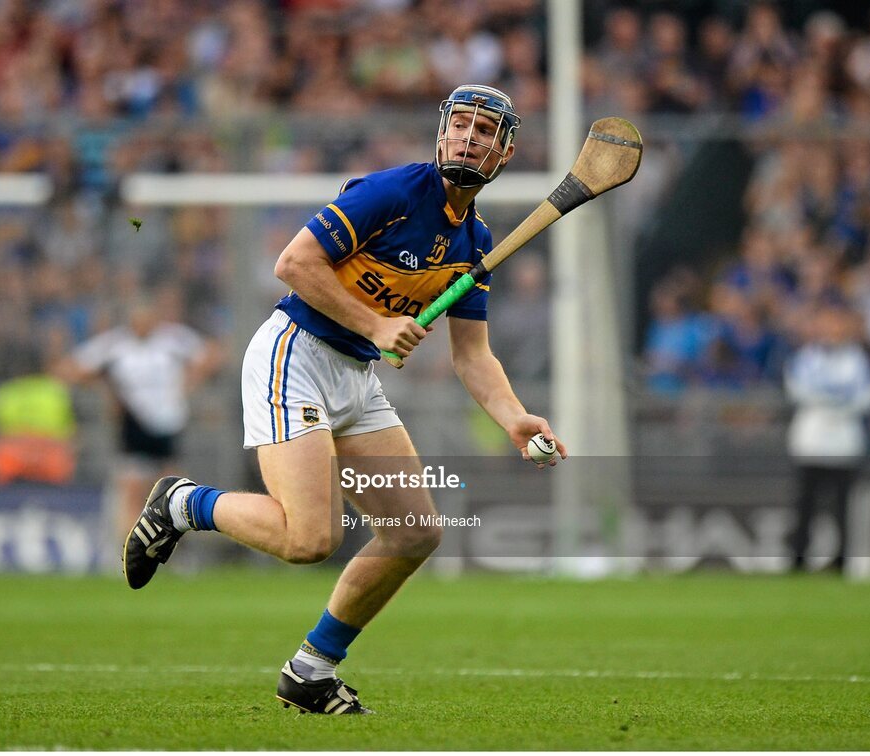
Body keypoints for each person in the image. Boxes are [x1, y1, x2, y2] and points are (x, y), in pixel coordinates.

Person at [122, 85, 567, 715]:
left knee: (414, 532)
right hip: (294, 355)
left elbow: (473, 356)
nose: (470, 137)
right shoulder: (391, 192)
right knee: (310, 539)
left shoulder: (475, 243)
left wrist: (513, 416)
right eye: (461, 125)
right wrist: (377, 324)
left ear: (505, 151)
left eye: (486, 131)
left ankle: (311, 671)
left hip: (354, 378)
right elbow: (294, 263)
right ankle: (184, 503)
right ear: (441, 133)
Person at [54, 290, 222, 545]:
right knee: (132, 491)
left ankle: (174, 553)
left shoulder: (172, 339)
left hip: (169, 423)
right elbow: (72, 368)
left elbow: (211, 354)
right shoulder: (115, 344)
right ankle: (128, 549)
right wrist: (107, 391)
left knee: (173, 492)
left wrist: (188, 384)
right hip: (134, 425)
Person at [784, 305, 870, 570]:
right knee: (805, 505)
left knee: (842, 507)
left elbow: (865, 398)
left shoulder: (858, 360)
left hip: (845, 443)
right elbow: (799, 390)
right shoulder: (806, 357)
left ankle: (841, 560)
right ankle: (798, 558)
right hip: (810, 441)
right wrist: (838, 399)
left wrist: (828, 400)